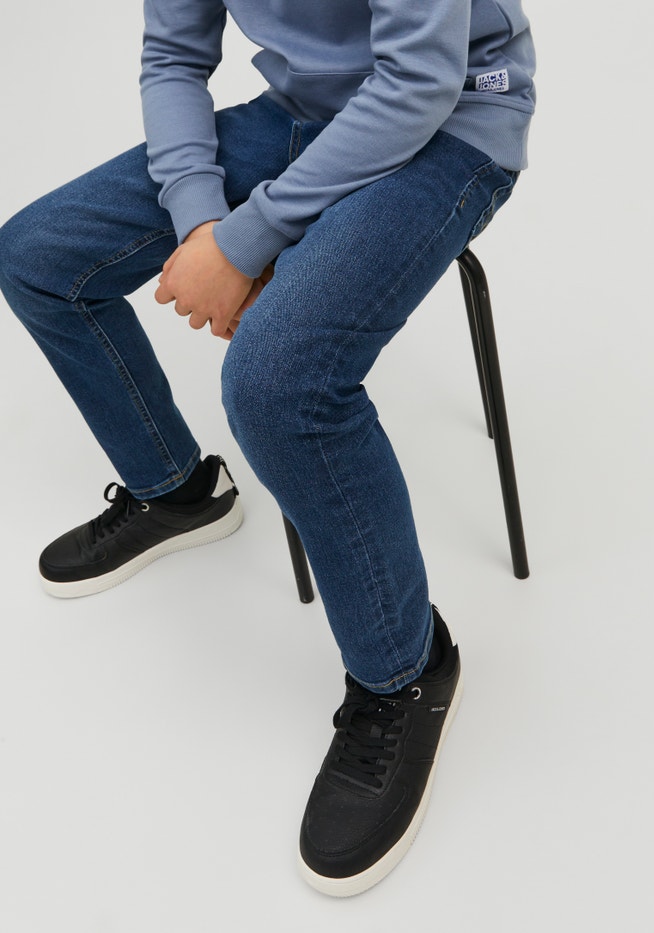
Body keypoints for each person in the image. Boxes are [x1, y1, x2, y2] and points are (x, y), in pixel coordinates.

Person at [0, 0, 535, 896]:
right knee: (37, 256)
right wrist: (200, 229)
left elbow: (418, 80)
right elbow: (173, 55)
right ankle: (178, 489)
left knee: (277, 383)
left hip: (451, 122)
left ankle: (404, 672)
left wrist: (250, 238)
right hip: (302, 116)